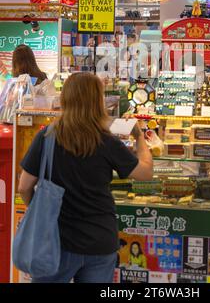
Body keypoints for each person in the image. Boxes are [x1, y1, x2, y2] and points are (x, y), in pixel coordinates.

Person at [17, 72, 153, 283]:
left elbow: (24, 187)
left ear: (65, 99)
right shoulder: (107, 141)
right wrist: (140, 138)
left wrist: (39, 211)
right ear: (97, 100)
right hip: (99, 241)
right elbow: (145, 173)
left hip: (54, 240)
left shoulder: (46, 137)